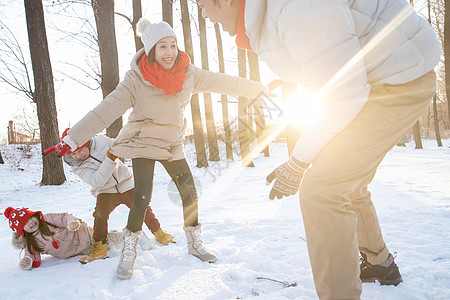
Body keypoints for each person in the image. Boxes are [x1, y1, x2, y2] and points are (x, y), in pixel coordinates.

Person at [197, 0, 441, 299]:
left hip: (399, 80)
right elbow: (325, 51)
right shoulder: (267, 16)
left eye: (202, 4)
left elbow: (344, 94)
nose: (204, 13)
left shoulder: (293, 8)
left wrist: (298, 163)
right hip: (379, 78)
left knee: (322, 191)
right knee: (342, 181)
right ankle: (380, 263)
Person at [45, 18, 274, 280]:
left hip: (172, 142)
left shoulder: (189, 74)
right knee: (142, 195)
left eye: (173, 45)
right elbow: (105, 111)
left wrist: (260, 89)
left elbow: (225, 82)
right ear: (152, 49)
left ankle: (194, 242)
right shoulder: (136, 79)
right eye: (163, 46)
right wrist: (72, 139)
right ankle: (129, 250)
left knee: (189, 191)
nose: (169, 52)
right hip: (143, 140)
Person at [61, 129, 175, 264]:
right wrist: (110, 159)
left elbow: (120, 145)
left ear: (86, 144)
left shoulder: (101, 141)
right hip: (105, 190)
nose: (78, 156)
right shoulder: (77, 167)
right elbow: (97, 181)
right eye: (73, 154)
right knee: (99, 215)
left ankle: (159, 232)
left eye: (80, 150)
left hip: (125, 184)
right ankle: (100, 246)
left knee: (142, 208)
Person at [4, 206, 124, 270]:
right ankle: (118, 235)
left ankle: (129, 236)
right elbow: (32, 256)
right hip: (80, 250)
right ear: (22, 230)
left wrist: (73, 222)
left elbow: (64, 217)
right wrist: (27, 262)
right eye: (25, 223)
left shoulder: (47, 219)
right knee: (105, 247)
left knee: (106, 240)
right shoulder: (31, 243)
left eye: (30, 218)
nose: (31, 222)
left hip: (84, 234)